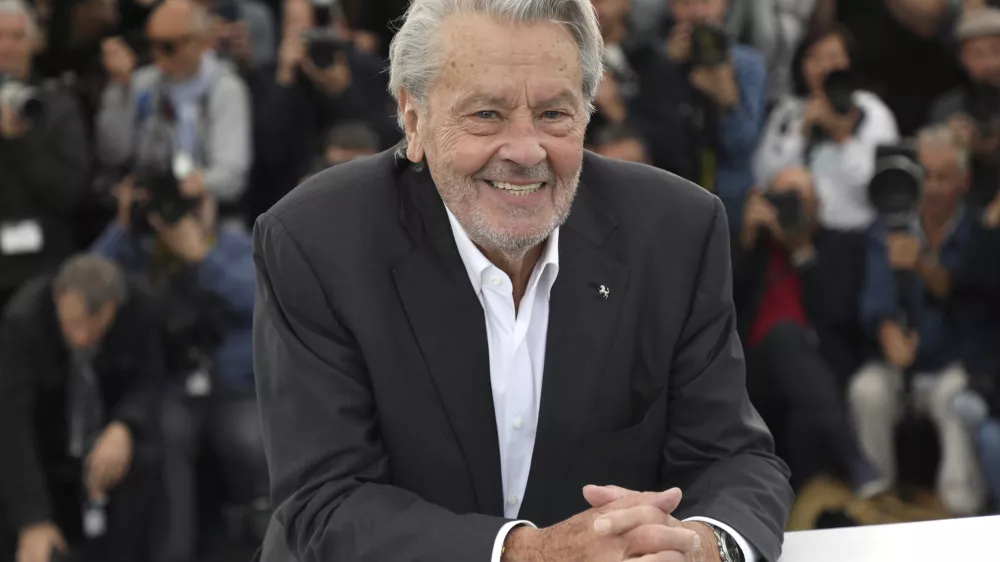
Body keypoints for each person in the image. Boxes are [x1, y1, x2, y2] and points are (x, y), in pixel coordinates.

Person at [252, 1, 793, 561]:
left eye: (554, 115)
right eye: (486, 114)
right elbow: (326, 504)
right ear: (413, 120)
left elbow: (733, 458)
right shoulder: (316, 241)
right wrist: (528, 555)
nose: (525, 150)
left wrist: (705, 546)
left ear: (587, 113)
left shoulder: (676, 230)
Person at [90, 168, 266, 561]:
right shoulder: (138, 250)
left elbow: (260, 299)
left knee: (252, 444)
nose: (178, 216)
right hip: (173, 386)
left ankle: (260, 550)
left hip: (235, 389)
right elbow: (87, 287)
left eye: (190, 204)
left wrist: (203, 257)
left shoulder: (235, 244)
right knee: (167, 441)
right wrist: (123, 227)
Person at [849, 125, 994, 516]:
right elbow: (875, 293)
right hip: (898, 364)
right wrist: (886, 329)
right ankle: (875, 505)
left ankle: (962, 511)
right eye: (923, 174)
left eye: (941, 177)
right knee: (867, 391)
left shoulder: (981, 230)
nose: (929, 187)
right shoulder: (891, 221)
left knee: (956, 399)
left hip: (955, 362)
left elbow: (969, 293)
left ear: (964, 181)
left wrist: (922, 265)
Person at [0, 254, 163, 562]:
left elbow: (150, 379)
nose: (81, 338)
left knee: (150, 454)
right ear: (57, 295)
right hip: (46, 440)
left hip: (106, 431)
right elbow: (11, 423)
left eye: (94, 328)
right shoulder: (23, 323)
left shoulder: (139, 308)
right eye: (73, 324)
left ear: (114, 307)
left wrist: (124, 425)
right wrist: (32, 519)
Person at [732, 167, 879, 494]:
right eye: (779, 198)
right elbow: (718, 306)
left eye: (798, 199)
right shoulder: (748, 248)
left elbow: (839, 315)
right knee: (783, 335)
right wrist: (746, 240)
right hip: (754, 374)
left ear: (818, 205)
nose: (788, 207)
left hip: (821, 369)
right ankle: (853, 458)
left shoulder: (841, 245)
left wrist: (801, 251)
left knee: (804, 415)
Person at [96, 0, 253, 219]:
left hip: (210, 215)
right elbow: (113, 154)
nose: (158, 55)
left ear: (199, 42)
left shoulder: (226, 89)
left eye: (168, 46)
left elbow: (233, 176)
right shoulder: (143, 84)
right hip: (146, 212)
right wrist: (117, 87)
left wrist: (195, 184)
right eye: (151, 45)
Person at [0, 0, 89, 311]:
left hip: (41, 269)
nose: (7, 47)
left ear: (35, 43)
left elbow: (68, 194)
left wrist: (20, 141)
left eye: (16, 36)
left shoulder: (59, 108)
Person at [661, 0, 767, 229]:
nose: (698, 13)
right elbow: (655, 142)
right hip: (671, 190)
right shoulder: (657, 60)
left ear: (725, 5)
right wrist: (666, 69)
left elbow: (742, 147)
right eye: (687, 4)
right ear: (672, 8)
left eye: (706, 2)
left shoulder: (747, 63)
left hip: (730, 195)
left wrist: (727, 98)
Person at [930, 7, 1000, 208]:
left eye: (996, 51)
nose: (990, 64)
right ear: (963, 59)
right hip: (966, 210)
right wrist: (948, 142)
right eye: (979, 54)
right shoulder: (949, 107)